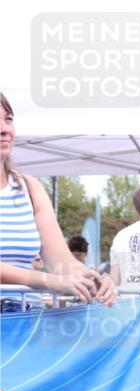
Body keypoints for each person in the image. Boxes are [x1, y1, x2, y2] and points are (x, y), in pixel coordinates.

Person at [0, 92, 116, 310]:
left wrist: (94, 278)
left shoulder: (29, 188)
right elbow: (53, 277)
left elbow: (61, 262)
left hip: (23, 326)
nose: (4, 129)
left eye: (8, 119)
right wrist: (46, 280)